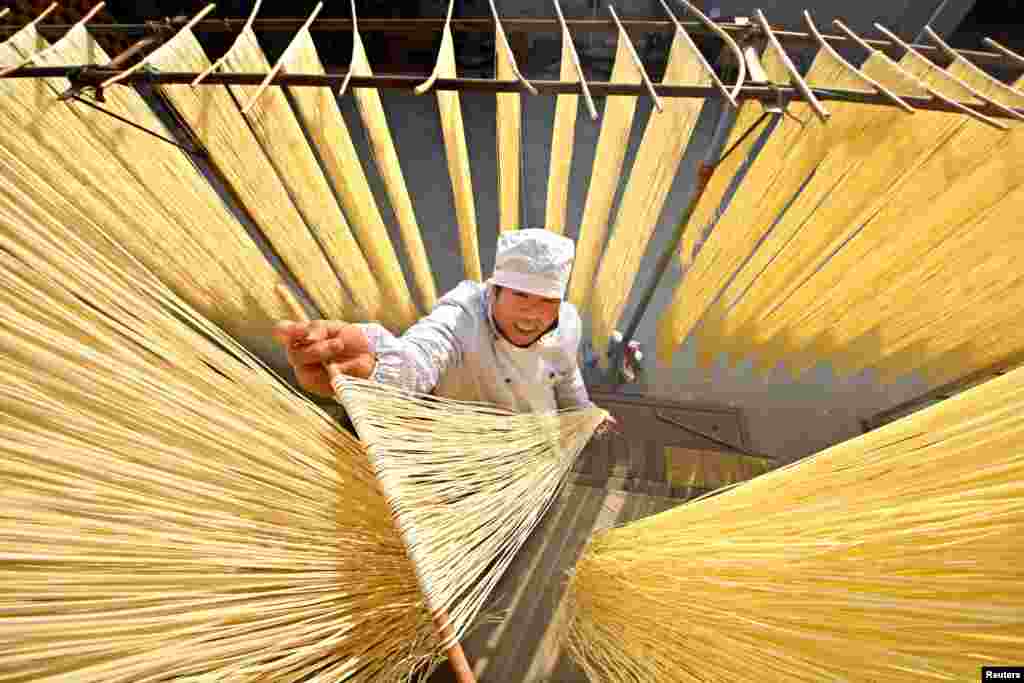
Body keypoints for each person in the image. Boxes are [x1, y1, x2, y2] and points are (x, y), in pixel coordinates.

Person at [274, 229, 616, 431]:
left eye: (546, 300)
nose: (532, 312)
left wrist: (585, 415)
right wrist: (373, 367)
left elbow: (567, 378)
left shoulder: (568, 321)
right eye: (521, 295)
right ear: (493, 290)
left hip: (534, 448)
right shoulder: (461, 319)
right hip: (461, 454)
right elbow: (420, 360)